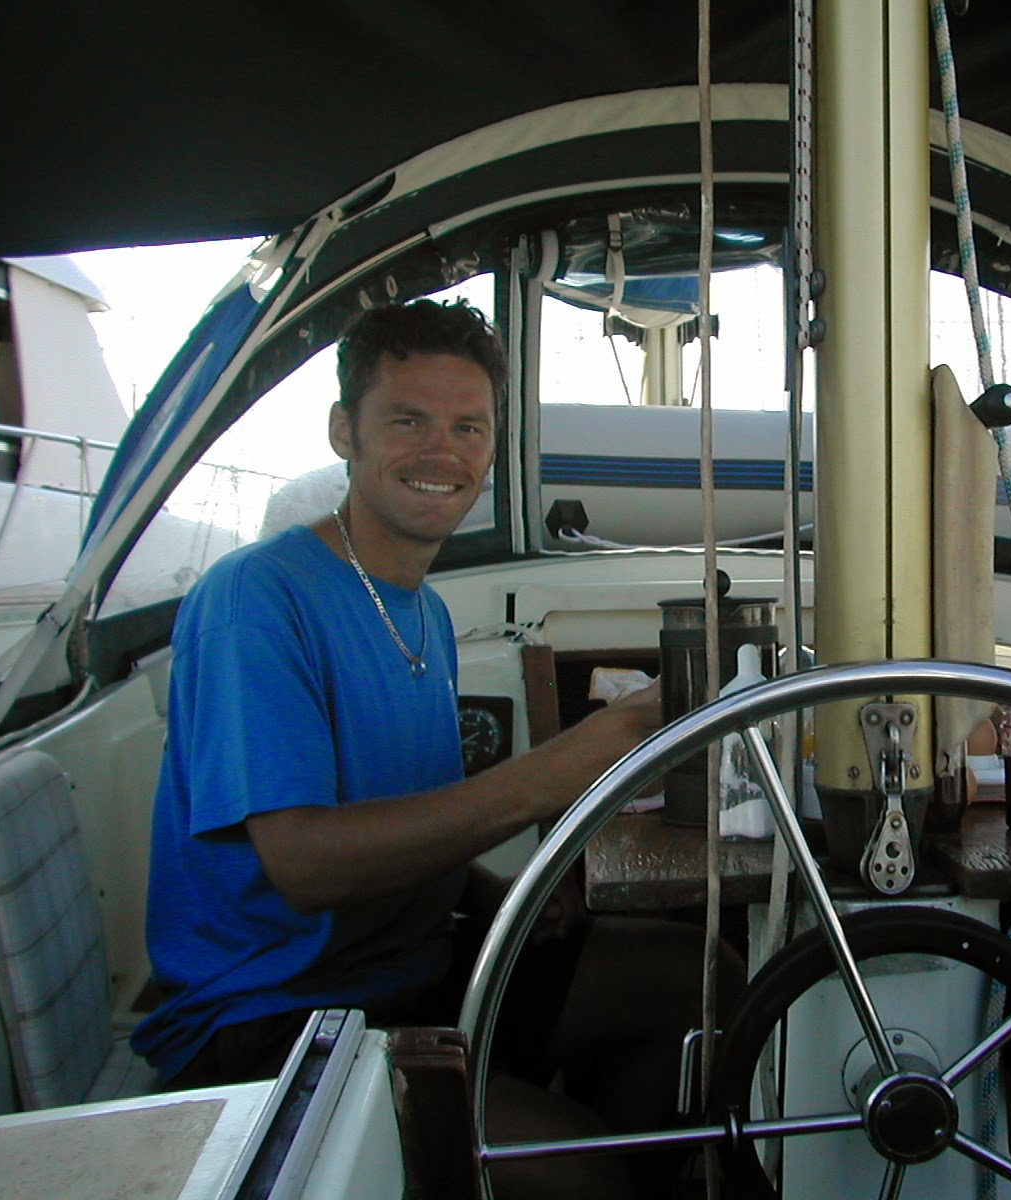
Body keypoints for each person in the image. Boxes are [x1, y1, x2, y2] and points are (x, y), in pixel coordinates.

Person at [133, 298, 731, 1199]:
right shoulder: (256, 600)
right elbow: (303, 863)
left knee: (697, 976)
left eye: (468, 428)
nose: (441, 453)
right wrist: (557, 772)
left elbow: (401, 824)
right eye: (407, 422)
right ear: (345, 432)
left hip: (411, 968)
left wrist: (495, 896)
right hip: (273, 1022)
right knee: (584, 1178)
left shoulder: (428, 613)